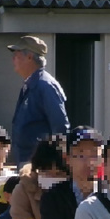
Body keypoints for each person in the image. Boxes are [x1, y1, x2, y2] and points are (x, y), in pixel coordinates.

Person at [8, 36, 70, 165]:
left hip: (40, 164)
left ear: (29, 57)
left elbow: (60, 127)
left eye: (17, 55)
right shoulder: (31, 84)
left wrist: (53, 161)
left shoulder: (45, 85)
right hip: (27, 160)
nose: (13, 59)